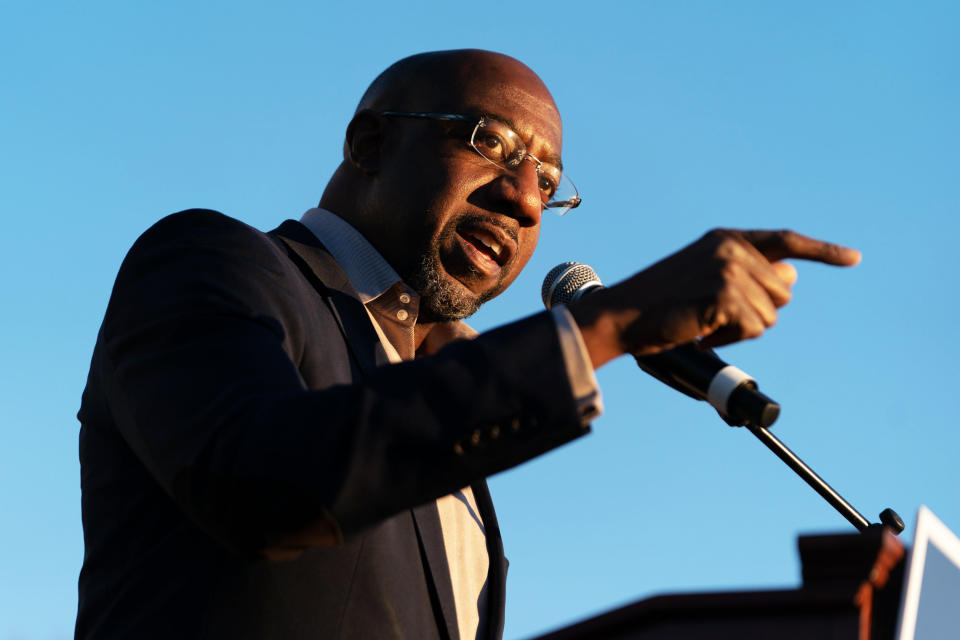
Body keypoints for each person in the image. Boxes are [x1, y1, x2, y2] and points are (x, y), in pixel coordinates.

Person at [75, 49, 861, 639]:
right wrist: (609, 323)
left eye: (550, 183)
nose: (524, 198)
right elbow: (259, 483)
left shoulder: (437, 383)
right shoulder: (213, 260)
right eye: (491, 142)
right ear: (370, 144)